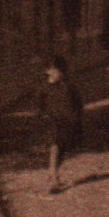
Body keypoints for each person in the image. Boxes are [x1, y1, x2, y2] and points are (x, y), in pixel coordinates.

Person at [38, 56, 84, 195]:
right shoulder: (44, 88)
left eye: (55, 71)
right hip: (52, 121)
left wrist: (76, 118)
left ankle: (53, 173)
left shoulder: (69, 86)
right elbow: (39, 103)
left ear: (62, 72)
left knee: (62, 149)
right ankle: (54, 181)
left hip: (67, 122)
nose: (52, 73)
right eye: (50, 71)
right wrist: (43, 114)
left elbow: (78, 104)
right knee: (55, 147)